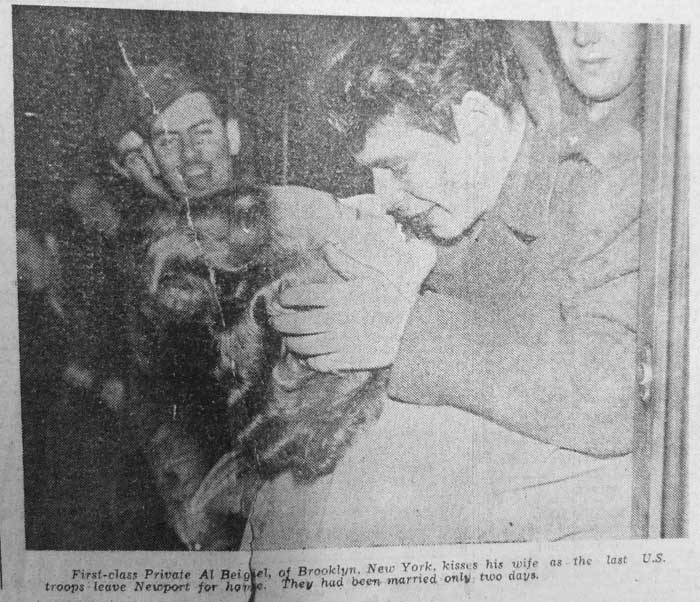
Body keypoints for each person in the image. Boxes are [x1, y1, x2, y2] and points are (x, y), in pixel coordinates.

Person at [251, 18, 644, 546]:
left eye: (398, 166)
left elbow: (617, 394)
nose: (386, 196)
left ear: (478, 121)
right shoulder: (467, 193)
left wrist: (406, 332)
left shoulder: (614, 182)